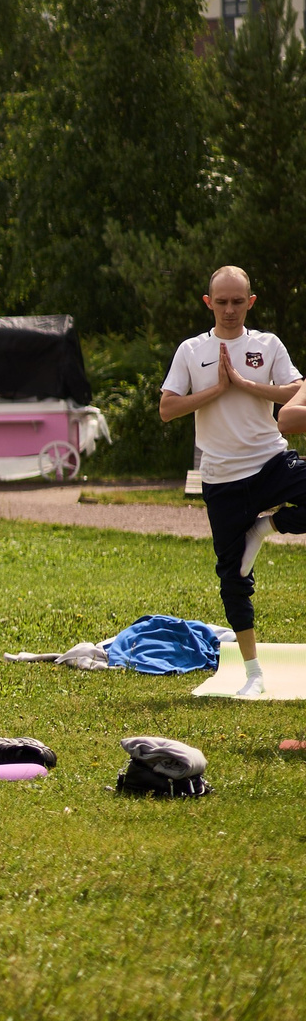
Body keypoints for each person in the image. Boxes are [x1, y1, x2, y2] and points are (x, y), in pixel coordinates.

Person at [168, 266, 306, 698]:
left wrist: (245, 383)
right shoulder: (191, 350)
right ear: (208, 303)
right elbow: (167, 408)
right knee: (232, 578)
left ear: (251, 301)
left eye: (237, 301)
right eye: (221, 301)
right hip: (222, 479)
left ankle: (266, 527)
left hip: (270, 462)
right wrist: (216, 390)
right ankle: (253, 673)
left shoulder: (267, 345)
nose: (229, 309)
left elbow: (296, 390)